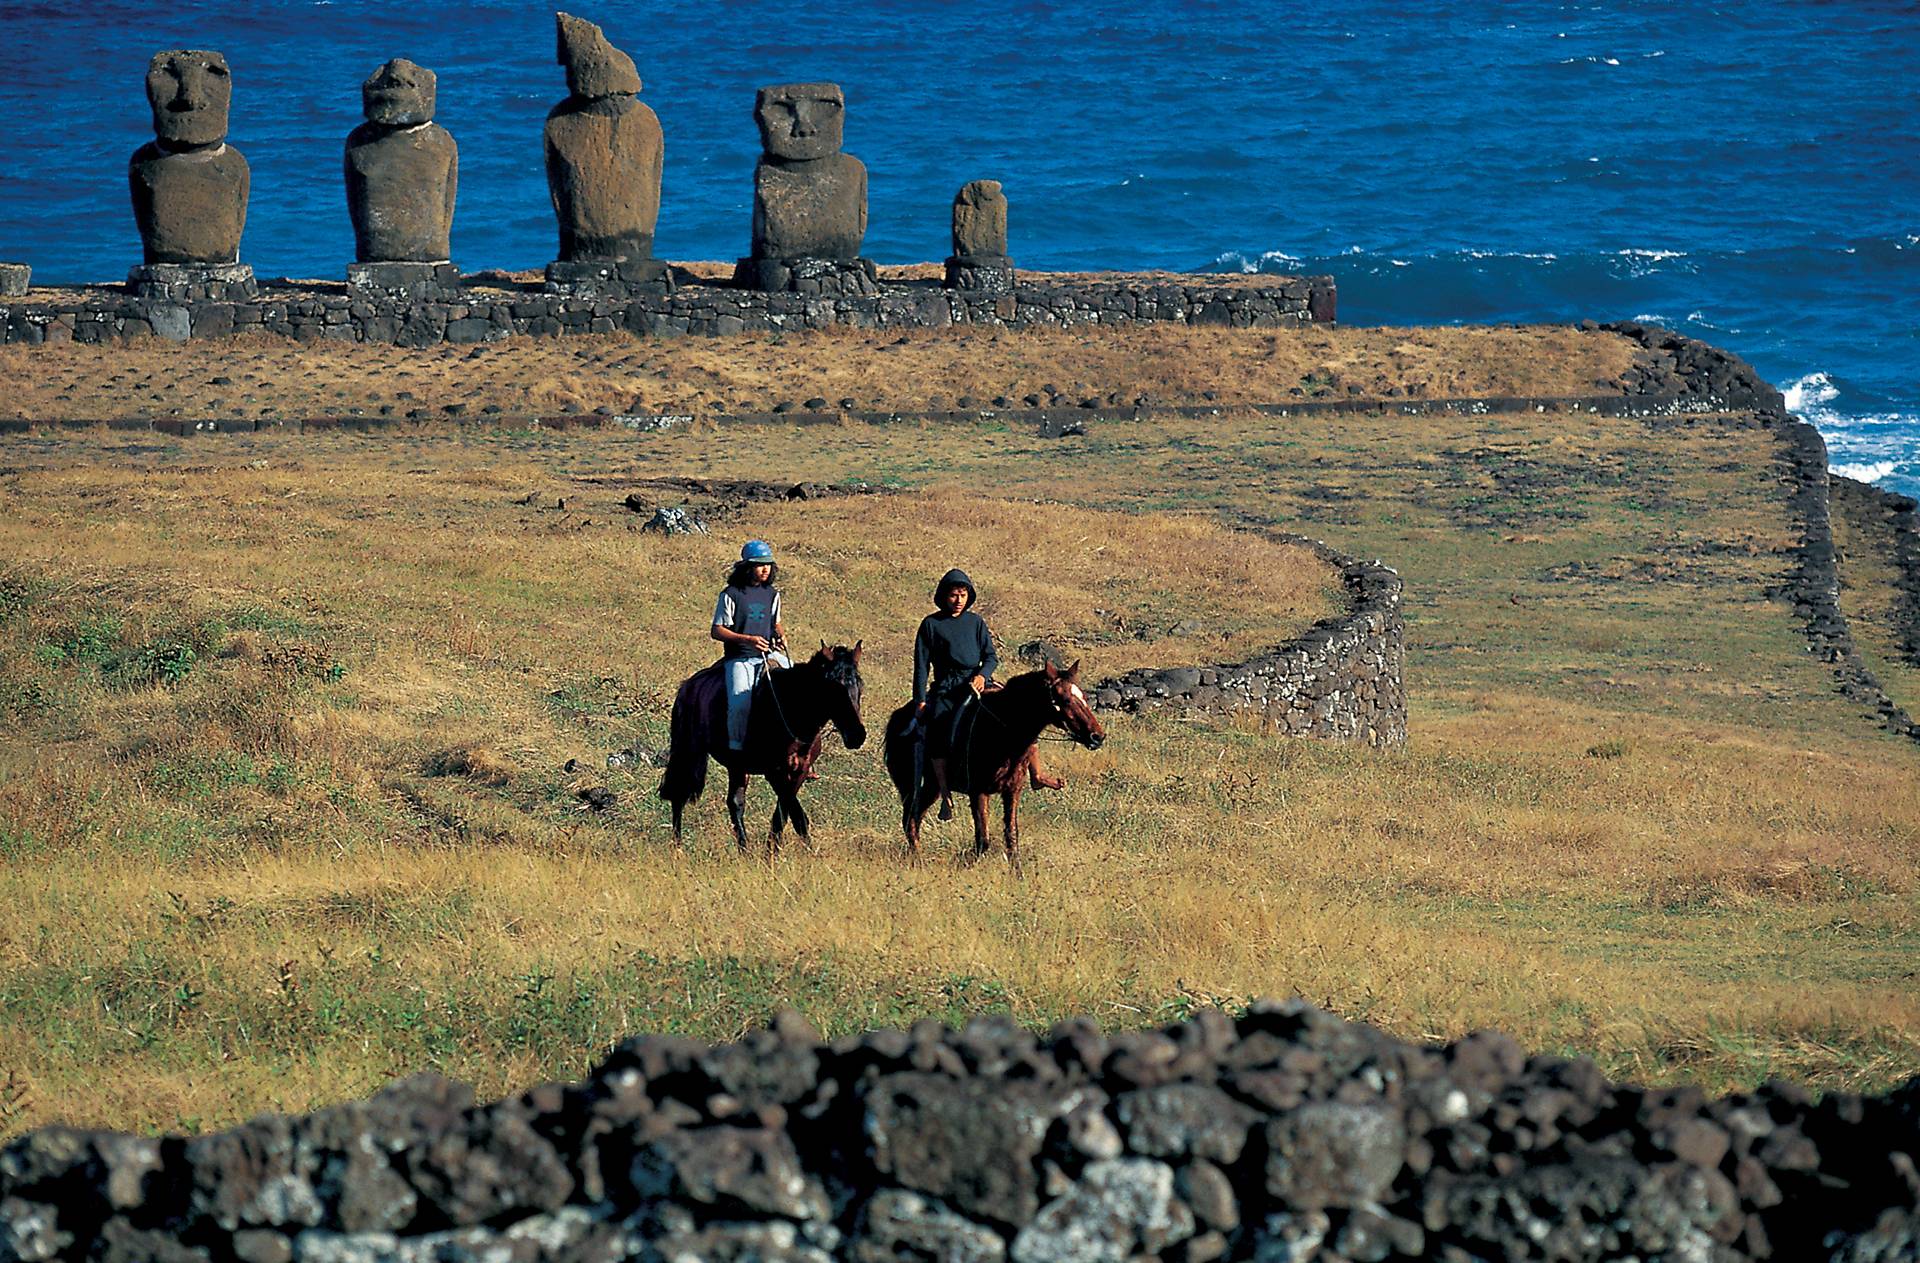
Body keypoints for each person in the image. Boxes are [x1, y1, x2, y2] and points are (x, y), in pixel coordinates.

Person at [912, 567, 998, 818]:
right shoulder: (931, 624)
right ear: (943, 596)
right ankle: (945, 793)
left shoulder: (976, 622)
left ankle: (1034, 772)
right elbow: (921, 666)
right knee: (938, 728)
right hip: (947, 688)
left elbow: (991, 657)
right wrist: (920, 700)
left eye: (962, 594)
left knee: (1016, 711)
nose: (958, 600)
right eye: (953, 595)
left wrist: (982, 676)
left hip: (979, 683)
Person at [711, 540, 790, 751]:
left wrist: (780, 635)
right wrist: (748, 639)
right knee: (739, 703)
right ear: (747, 567)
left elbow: (776, 623)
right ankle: (736, 747)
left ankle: (800, 749)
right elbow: (717, 630)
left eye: (768, 564)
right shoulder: (731, 594)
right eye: (759, 564)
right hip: (740, 658)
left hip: (769, 655)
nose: (765, 569)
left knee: (798, 689)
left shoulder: (772, 594)